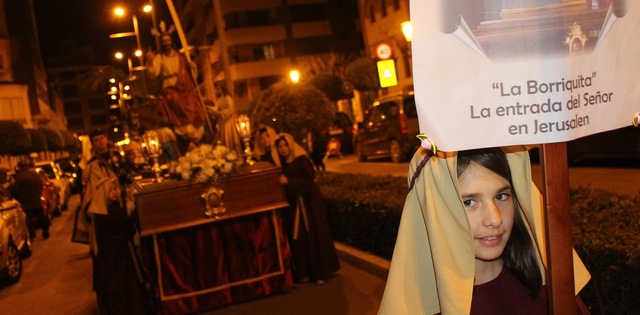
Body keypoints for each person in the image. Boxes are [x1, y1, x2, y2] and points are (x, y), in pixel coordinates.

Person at [378, 146, 591, 314]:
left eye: (501, 196)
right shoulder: (422, 307)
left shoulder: (550, 291)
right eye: (469, 202)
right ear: (437, 211)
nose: (495, 219)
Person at [80, 130, 148, 314]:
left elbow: (127, 176)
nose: (100, 142)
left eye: (102, 138)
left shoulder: (116, 157)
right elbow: (89, 195)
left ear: (106, 139)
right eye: (96, 140)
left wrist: (126, 192)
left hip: (119, 204)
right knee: (113, 274)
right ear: (93, 144)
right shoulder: (91, 166)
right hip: (107, 214)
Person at [273, 133, 340, 285]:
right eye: (280, 146)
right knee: (300, 241)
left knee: (314, 237)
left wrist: (289, 182)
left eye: (285, 145)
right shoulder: (283, 167)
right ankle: (306, 272)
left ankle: (320, 272)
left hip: (309, 207)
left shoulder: (302, 161)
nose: (283, 149)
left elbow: (309, 181)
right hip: (295, 208)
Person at [147, 21, 206, 154]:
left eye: (168, 40)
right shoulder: (159, 57)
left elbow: (190, 72)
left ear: (171, 41)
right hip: (170, 86)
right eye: (164, 41)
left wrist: (191, 67)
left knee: (192, 100)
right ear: (161, 43)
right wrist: (150, 60)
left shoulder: (180, 56)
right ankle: (182, 127)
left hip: (184, 84)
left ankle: (194, 128)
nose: (166, 43)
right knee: (173, 97)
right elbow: (153, 73)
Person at [11, 159, 49, 239]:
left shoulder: (20, 177)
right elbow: (41, 185)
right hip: (37, 201)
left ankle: (32, 235)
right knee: (41, 217)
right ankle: (45, 232)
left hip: (26, 203)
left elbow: (15, 190)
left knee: (28, 220)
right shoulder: (34, 175)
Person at [211, 82, 241, 153]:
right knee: (224, 139)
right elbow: (215, 108)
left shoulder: (228, 98)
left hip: (229, 122)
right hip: (223, 123)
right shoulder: (219, 99)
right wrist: (209, 109)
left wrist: (219, 113)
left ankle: (234, 153)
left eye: (218, 89)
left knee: (230, 139)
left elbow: (231, 110)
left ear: (222, 88)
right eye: (216, 89)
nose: (217, 91)